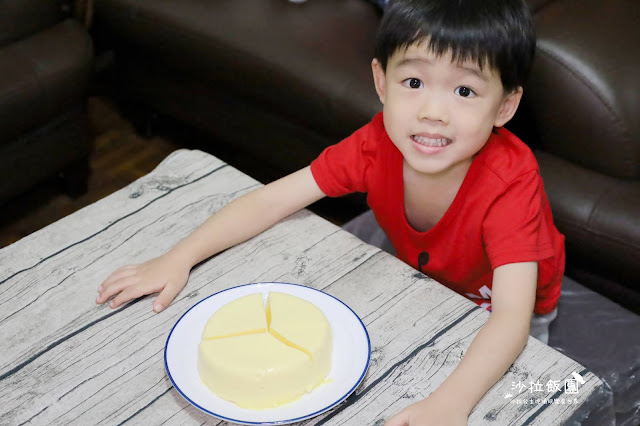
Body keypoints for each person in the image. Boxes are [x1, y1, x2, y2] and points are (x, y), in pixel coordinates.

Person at [97, 0, 565, 423]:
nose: (433, 112)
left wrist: (451, 403)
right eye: (414, 82)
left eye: (464, 91)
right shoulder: (375, 144)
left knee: (523, 398)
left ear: (505, 106)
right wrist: (179, 256)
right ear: (381, 82)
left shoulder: (511, 182)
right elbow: (272, 199)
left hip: (508, 307)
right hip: (423, 283)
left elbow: (511, 319)